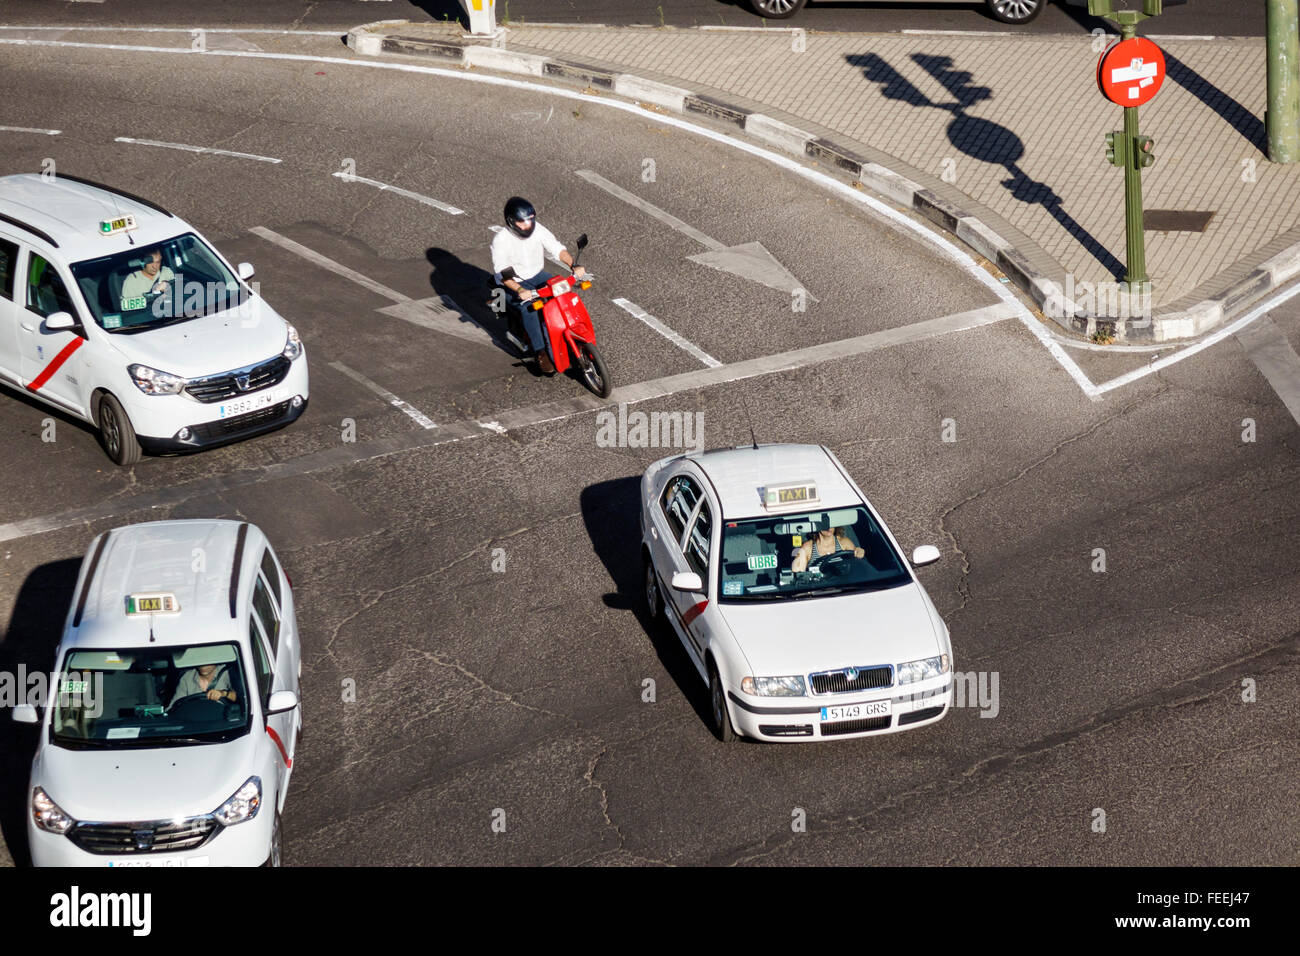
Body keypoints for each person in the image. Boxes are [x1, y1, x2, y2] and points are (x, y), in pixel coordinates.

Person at [491, 197, 585, 374]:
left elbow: (557, 249)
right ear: (511, 221)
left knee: (562, 294)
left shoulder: (538, 229)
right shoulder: (501, 240)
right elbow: (502, 273)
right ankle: (541, 352)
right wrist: (520, 290)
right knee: (530, 309)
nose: (528, 225)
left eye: (531, 219)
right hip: (514, 282)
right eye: (523, 222)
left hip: (538, 275)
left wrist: (574, 266)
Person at [791, 523, 865, 573]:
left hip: (843, 586)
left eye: (831, 523)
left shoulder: (844, 543)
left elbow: (857, 565)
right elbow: (797, 570)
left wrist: (859, 552)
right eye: (824, 523)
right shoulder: (808, 547)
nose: (828, 527)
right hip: (819, 590)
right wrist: (800, 552)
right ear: (816, 525)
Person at [170, 662, 237, 707]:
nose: (204, 664)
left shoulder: (227, 673)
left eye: (208, 659)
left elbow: (241, 698)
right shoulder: (187, 677)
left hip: (222, 721)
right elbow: (174, 706)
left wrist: (223, 693)